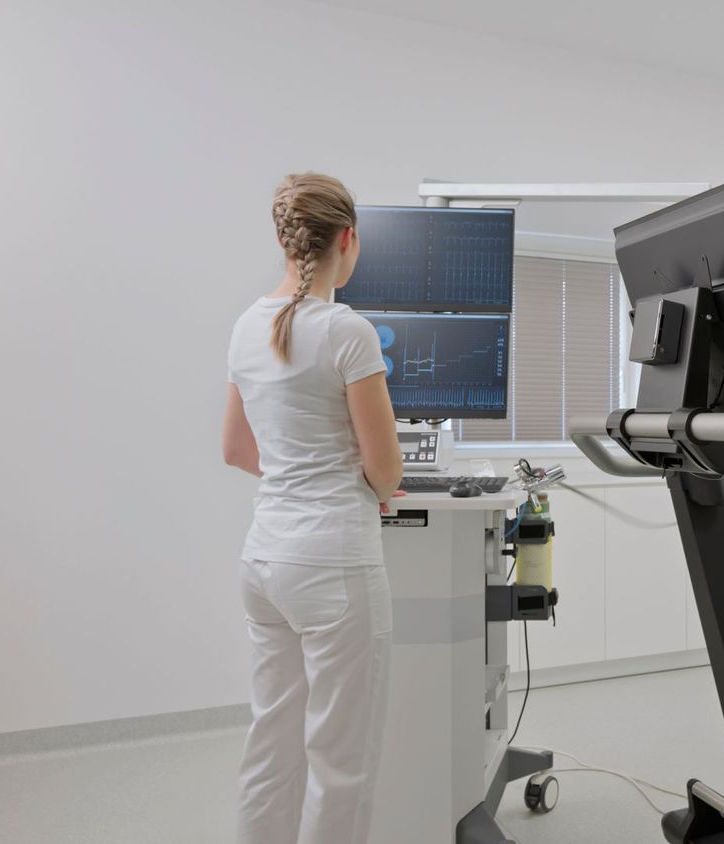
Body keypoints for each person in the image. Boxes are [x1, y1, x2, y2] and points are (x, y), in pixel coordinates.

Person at [221, 172, 404, 844]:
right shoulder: (347, 332)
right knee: (341, 760)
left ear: (283, 239)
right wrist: (367, 482)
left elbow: (237, 450)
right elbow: (385, 472)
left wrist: (302, 469)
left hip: (263, 560)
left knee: (270, 743)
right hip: (333, 566)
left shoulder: (245, 327)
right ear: (347, 241)